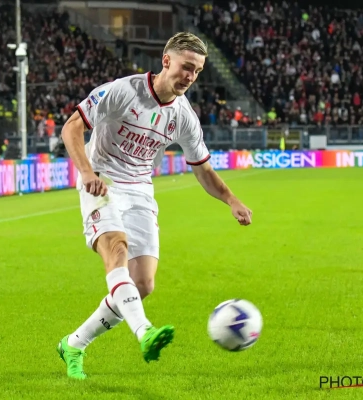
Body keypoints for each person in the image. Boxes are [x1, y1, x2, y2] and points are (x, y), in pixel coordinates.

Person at [57, 32, 253, 380]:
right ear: (166, 61)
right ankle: (144, 331)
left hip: (140, 190)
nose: (190, 76)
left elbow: (203, 169)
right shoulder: (123, 91)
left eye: (197, 71)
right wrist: (86, 172)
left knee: (143, 284)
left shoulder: (183, 116)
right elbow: (72, 127)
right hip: (101, 180)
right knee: (116, 249)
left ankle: (74, 343)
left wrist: (230, 199)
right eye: (186, 67)